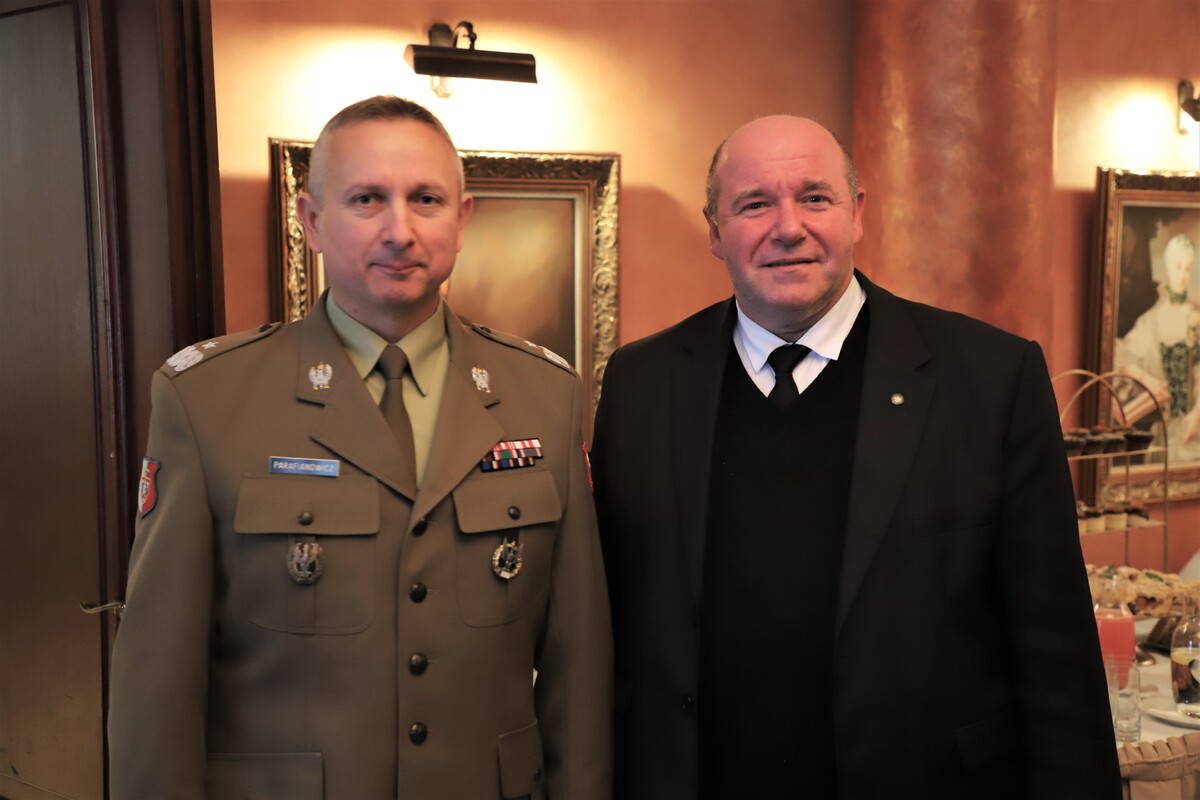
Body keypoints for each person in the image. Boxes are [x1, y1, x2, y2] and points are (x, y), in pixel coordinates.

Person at [590, 115, 1120, 798]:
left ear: (857, 213)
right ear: (715, 231)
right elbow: (613, 625)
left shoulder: (991, 379)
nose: (788, 227)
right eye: (754, 204)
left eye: (815, 198)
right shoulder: (640, 384)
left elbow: (1057, 653)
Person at [108, 96, 612, 799]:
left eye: (426, 199)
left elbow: (577, 668)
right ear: (312, 221)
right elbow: (158, 680)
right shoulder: (208, 401)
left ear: (462, 220)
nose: (399, 231)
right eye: (367, 199)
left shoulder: (546, 396)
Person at [1114, 233, 1200, 460]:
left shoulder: (1195, 319)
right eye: (1178, 267)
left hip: (1193, 429)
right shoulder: (1150, 322)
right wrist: (1147, 379)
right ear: (1167, 269)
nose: (1182, 275)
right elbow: (1120, 358)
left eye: (1188, 269)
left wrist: (1196, 414)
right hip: (1161, 429)